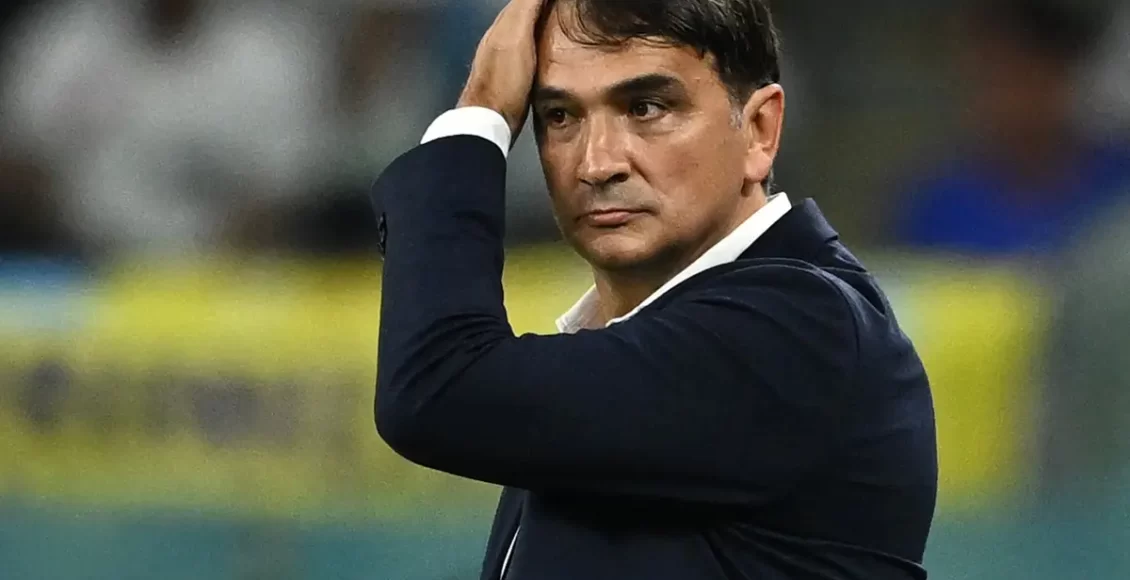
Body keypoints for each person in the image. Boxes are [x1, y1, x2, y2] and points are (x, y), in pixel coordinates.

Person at [370, 1, 937, 579]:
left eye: (646, 108)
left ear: (760, 131)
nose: (597, 164)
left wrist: (481, 111)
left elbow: (438, 386)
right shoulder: (625, 353)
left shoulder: (803, 330)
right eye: (560, 116)